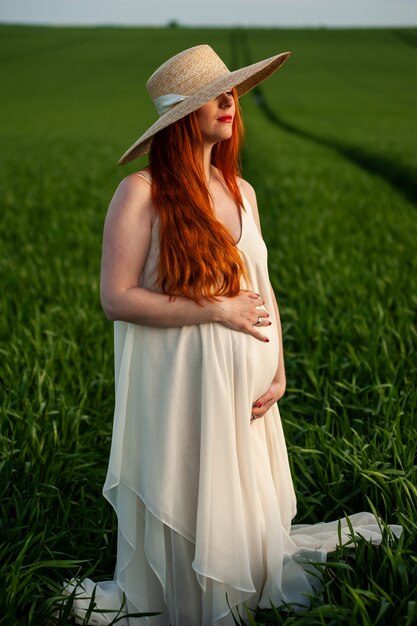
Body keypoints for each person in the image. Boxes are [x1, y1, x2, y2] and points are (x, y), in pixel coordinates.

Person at [65, 44, 401, 626]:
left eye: (231, 93)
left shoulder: (242, 191)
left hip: (246, 400)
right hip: (185, 390)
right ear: (180, 117)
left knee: (243, 515)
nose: (229, 104)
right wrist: (217, 309)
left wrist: (279, 368)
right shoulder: (141, 194)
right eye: (213, 97)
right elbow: (116, 297)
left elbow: (262, 288)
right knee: (194, 495)